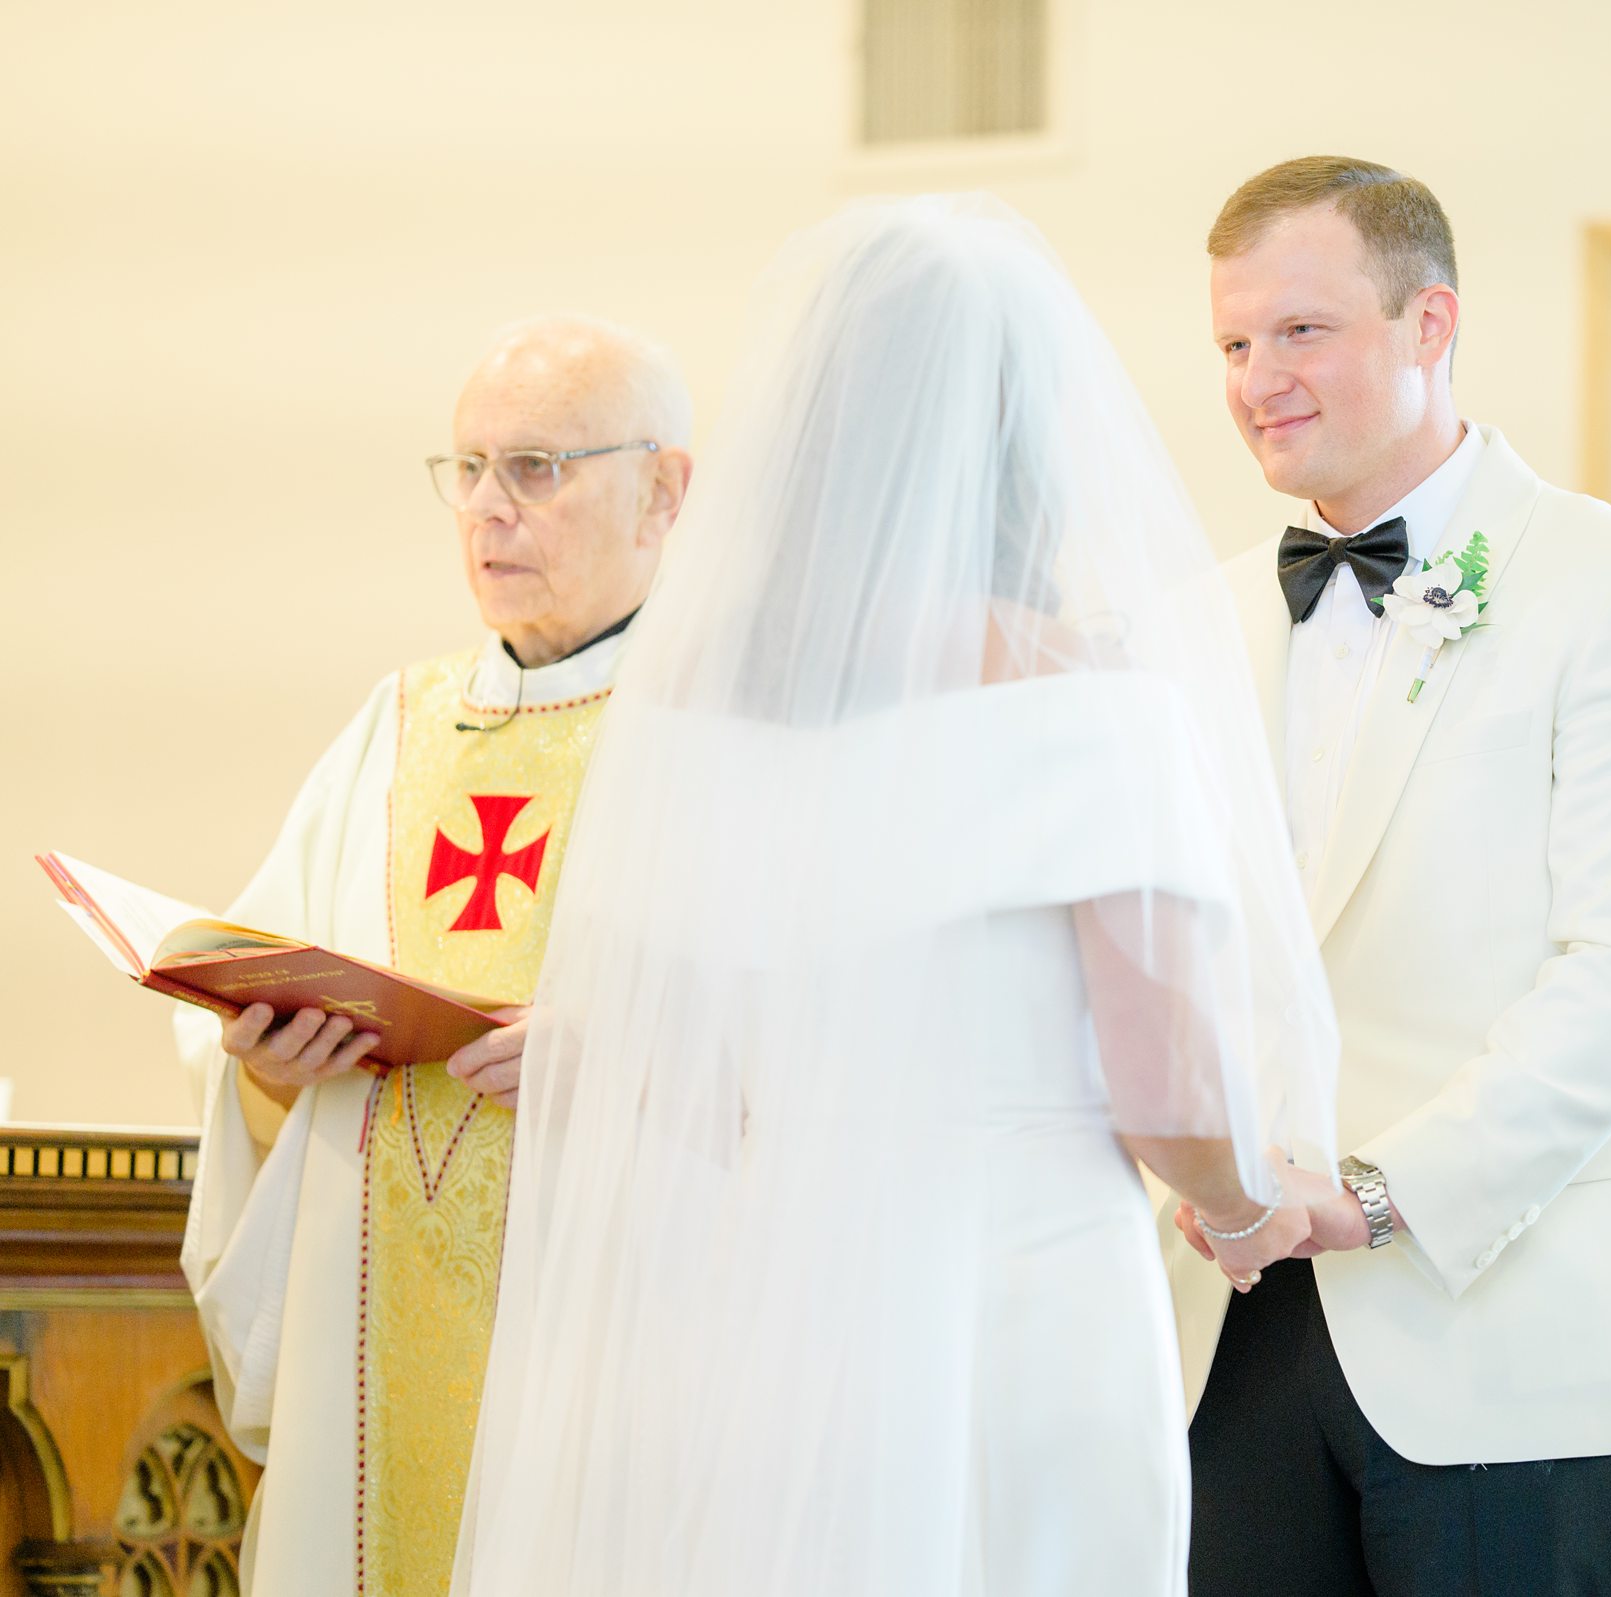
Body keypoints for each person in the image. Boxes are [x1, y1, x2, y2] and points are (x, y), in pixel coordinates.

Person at [449, 196, 1338, 1597]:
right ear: (1033, 432)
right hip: (1023, 1311)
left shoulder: (699, 714)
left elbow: (678, 1072)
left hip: (779, 1326)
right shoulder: (1087, 703)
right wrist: (1243, 1207)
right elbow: (1166, 1080)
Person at [1169, 156, 1611, 1595]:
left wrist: (1373, 1193)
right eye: (1234, 344)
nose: (1258, 380)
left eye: (1302, 331)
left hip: (1516, 1328)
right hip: (1231, 1326)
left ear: (1431, 326)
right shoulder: (1201, 615)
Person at [176, 314, 694, 1596]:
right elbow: (242, 1014)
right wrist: (267, 1070)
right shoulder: (392, 733)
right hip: (375, 1352)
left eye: (537, 467)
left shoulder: (728, 736)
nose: (487, 510)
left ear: (665, 488)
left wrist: (629, 1060)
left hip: (633, 1369)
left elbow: (825, 1054)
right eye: (467, 469)